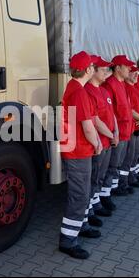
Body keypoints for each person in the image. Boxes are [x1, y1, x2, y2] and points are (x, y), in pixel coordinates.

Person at [59, 51, 102, 260]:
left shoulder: (74, 88)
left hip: (75, 149)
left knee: (82, 193)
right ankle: (68, 241)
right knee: (79, 195)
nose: (94, 69)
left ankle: (82, 225)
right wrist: (97, 143)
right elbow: (87, 126)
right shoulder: (80, 92)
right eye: (92, 66)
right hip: (78, 151)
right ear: (87, 70)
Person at [85, 56, 118, 222]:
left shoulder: (104, 90)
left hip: (108, 141)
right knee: (93, 177)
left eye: (108, 69)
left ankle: (95, 202)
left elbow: (111, 114)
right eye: (103, 69)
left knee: (100, 176)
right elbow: (95, 120)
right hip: (98, 143)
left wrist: (116, 133)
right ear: (93, 71)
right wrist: (111, 135)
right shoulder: (88, 91)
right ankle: (88, 211)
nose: (107, 72)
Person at [101, 55, 135, 209]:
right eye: (127, 66)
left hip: (125, 131)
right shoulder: (110, 85)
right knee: (111, 166)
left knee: (117, 164)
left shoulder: (122, 84)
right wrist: (113, 133)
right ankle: (104, 196)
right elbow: (109, 113)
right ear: (118, 67)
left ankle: (111, 190)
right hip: (117, 133)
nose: (129, 69)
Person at [118, 66, 139, 194]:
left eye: (137, 72)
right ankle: (123, 183)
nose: (136, 74)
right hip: (131, 128)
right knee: (128, 157)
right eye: (133, 72)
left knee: (135, 154)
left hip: (138, 126)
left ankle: (131, 177)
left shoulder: (134, 88)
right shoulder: (126, 88)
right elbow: (129, 110)